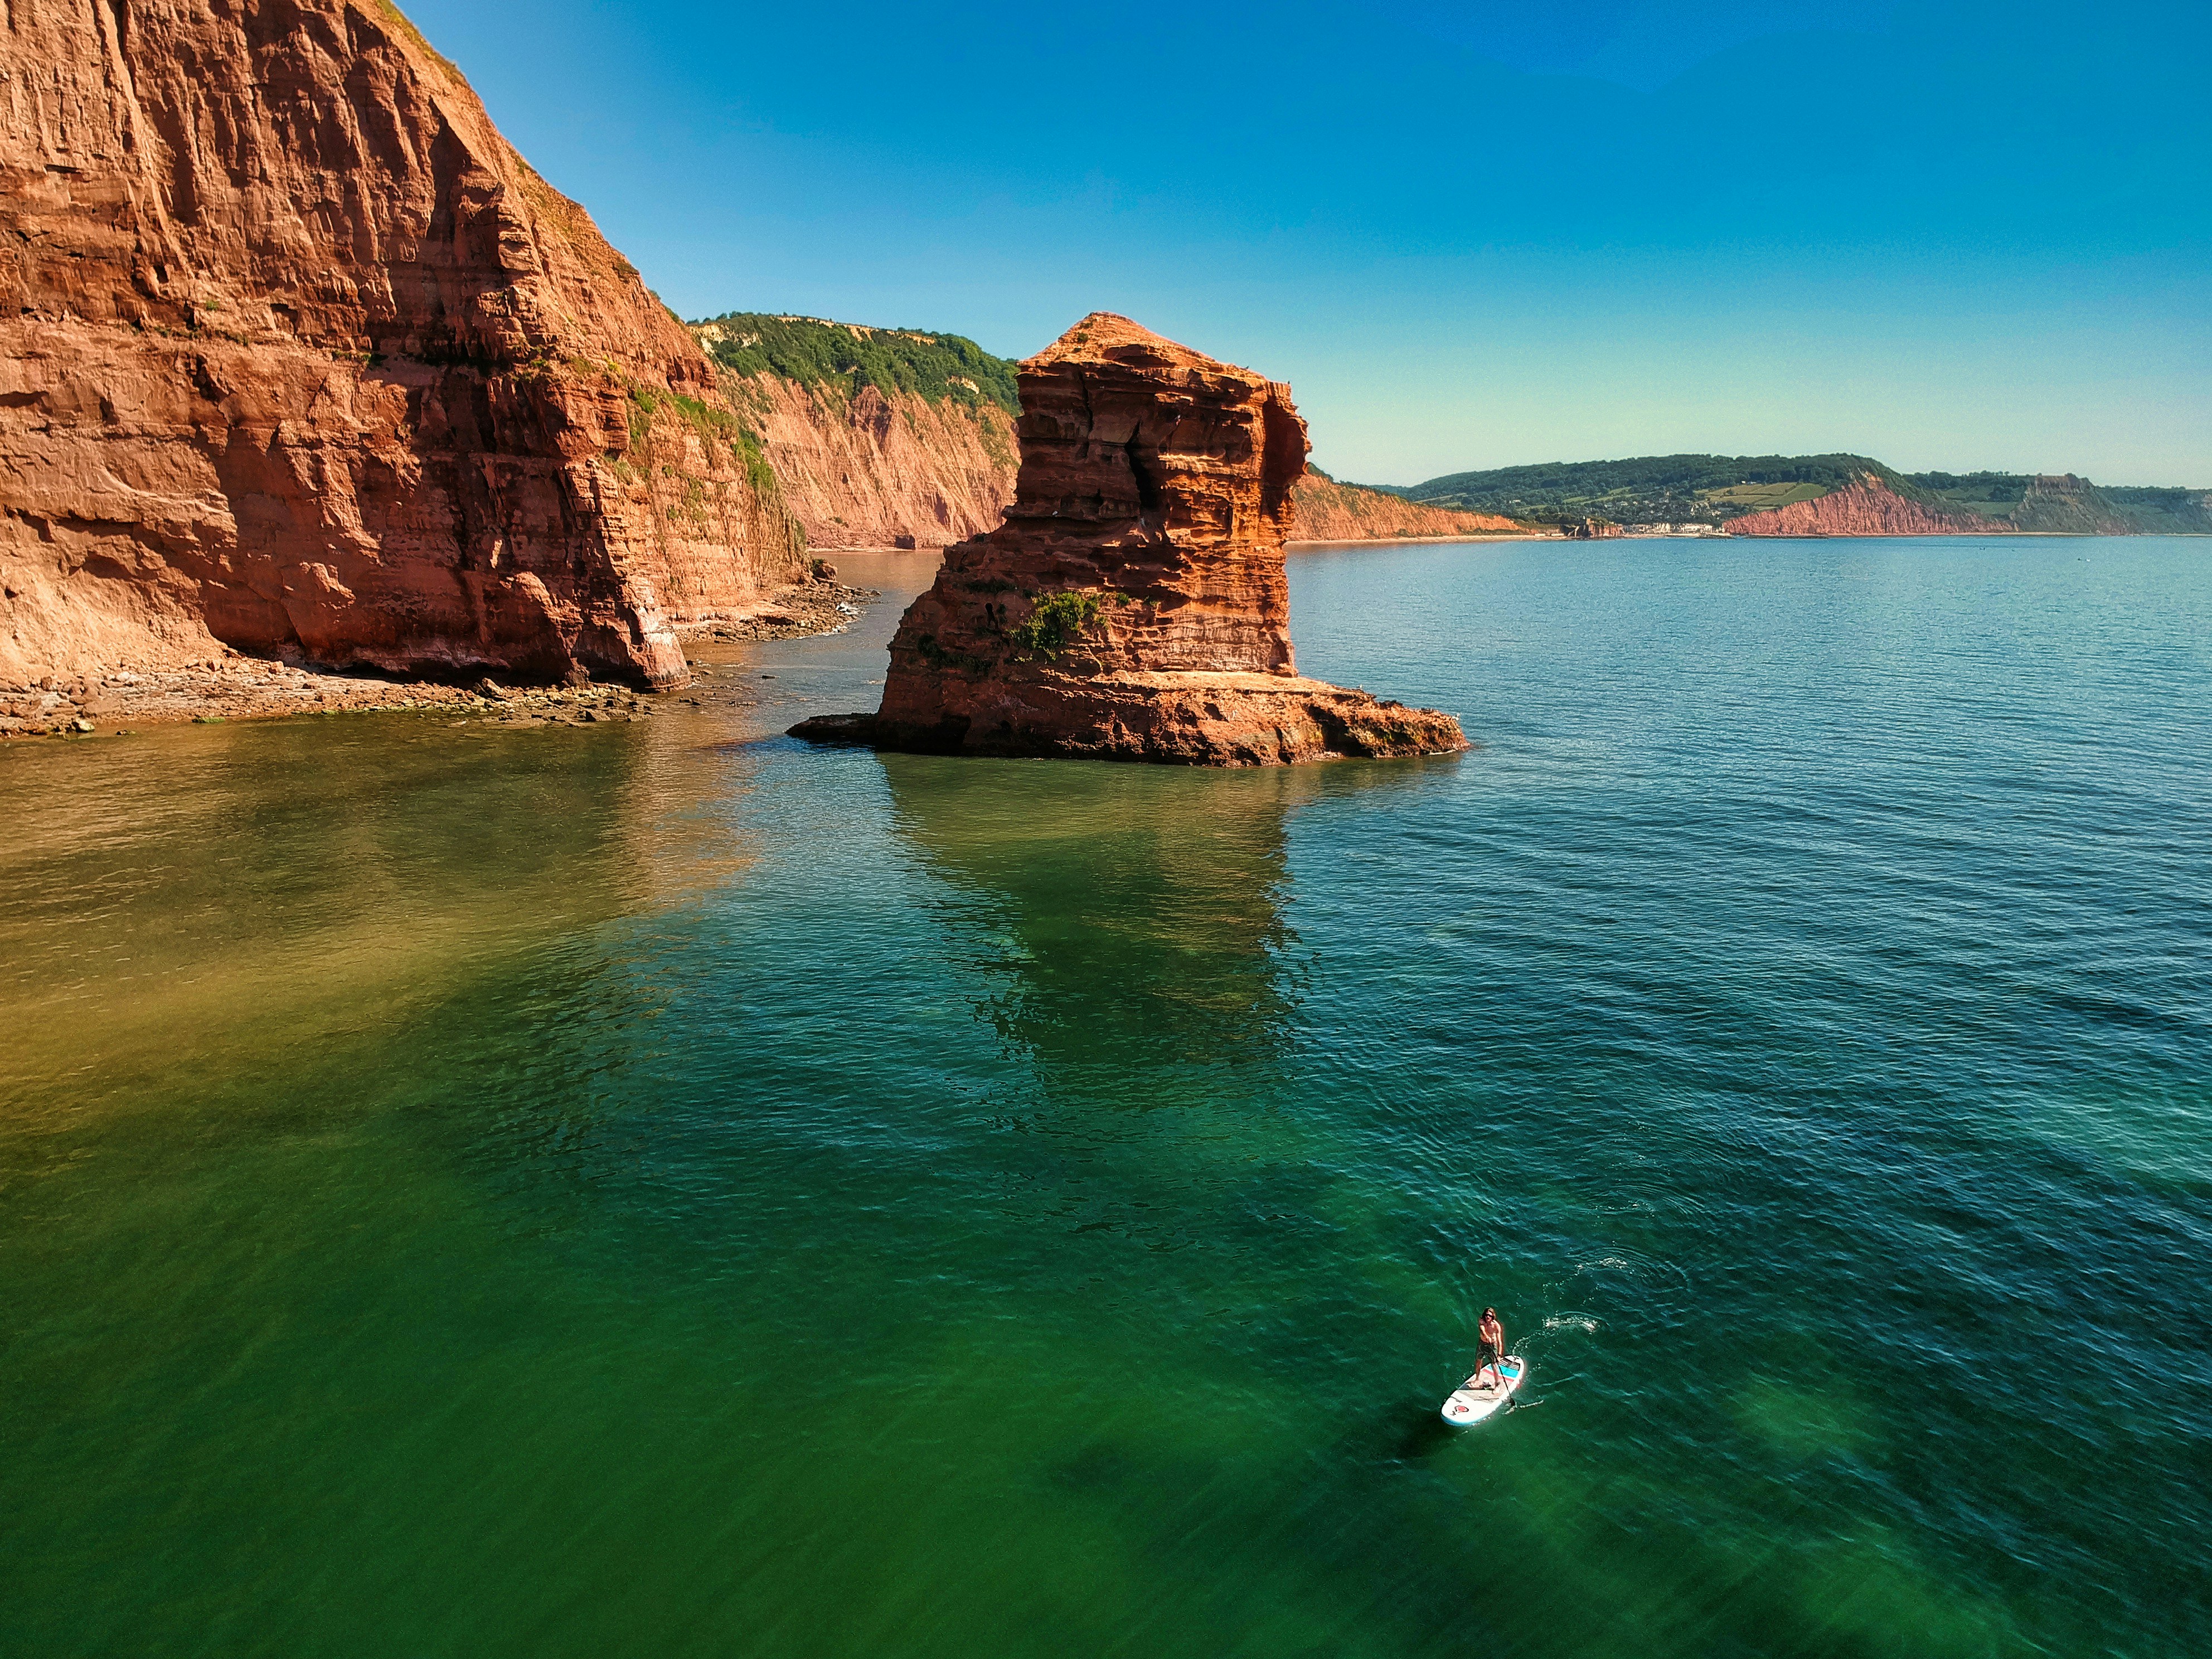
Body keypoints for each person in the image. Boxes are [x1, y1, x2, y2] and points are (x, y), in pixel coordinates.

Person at [1477, 1307, 1506, 1388]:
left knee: (1494, 1364)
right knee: (1478, 1361)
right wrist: (1486, 1336)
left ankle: (1497, 1385)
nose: (1487, 1317)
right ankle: (1477, 1379)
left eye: (1489, 1316)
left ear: (1493, 1316)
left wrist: (1499, 1355)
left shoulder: (1496, 1326)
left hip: (1492, 1345)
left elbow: (1499, 1341)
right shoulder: (1481, 1321)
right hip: (1482, 1343)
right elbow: (1482, 1330)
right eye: (1486, 1315)